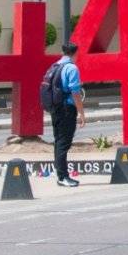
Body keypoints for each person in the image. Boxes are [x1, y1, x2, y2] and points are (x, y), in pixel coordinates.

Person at [51, 42, 85, 187]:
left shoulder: (56, 66)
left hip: (55, 108)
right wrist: (81, 112)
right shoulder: (71, 68)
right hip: (67, 109)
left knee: (59, 141)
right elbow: (75, 92)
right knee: (64, 143)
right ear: (75, 53)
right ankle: (63, 177)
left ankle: (61, 175)